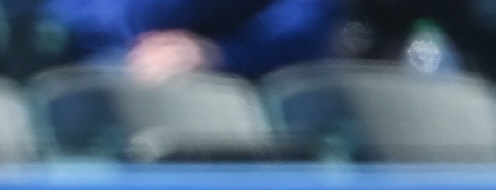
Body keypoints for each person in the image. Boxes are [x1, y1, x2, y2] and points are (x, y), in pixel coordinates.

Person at [43, 0, 336, 81]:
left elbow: (306, 28)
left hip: (250, 81)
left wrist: (222, 54)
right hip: (122, 77)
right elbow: (124, 20)